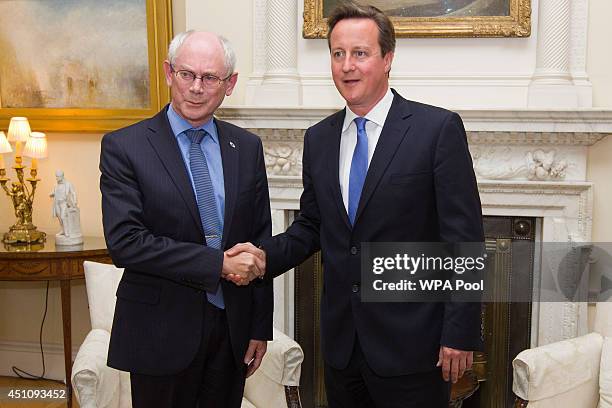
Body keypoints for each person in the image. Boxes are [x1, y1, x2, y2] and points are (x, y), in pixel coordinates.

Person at [227, 4, 484, 407]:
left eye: (360, 53)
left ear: (387, 59)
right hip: (343, 347)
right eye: (338, 53)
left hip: (415, 347)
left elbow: (465, 241)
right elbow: (312, 224)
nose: (347, 66)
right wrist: (263, 256)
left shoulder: (437, 130)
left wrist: (460, 333)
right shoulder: (319, 139)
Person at [99, 31, 272, 408]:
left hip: (231, 332)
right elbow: (125, 242)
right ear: (168, 73)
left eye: (210, 78)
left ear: (230, 84)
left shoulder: (247, 147)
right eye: (186, 74)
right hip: (159, 332)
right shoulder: (125, 147)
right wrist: (218, 265)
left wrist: (260, 328)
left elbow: (258, 241)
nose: (196, 88)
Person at [50, 170, 82, 244]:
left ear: (62, 176)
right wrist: (52, 194)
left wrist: (75, 202)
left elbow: (73, 193)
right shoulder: (56, 185)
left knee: (63, 216)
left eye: (58, 177)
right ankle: (63, 230)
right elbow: (54, 192)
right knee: (59, 217)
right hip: (57, 203)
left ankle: (67, 232)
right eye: (56, 177)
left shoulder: (68, 184)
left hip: (64, 203)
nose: (57, 178)